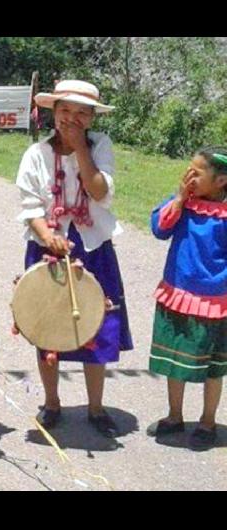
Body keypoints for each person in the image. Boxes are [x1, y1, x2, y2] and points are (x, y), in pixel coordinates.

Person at [15, 80, 133, 438]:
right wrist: (48, 235)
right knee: (46, 326)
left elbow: (100, 193)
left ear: (92, 118)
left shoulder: (101, 147)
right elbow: (31, 206)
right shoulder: (36, 153)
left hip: (92, 248)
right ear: (54, 111)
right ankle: (52, 403)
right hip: (46, 246)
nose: (72, 118)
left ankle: (96, 408)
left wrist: (81, 149)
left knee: (95, 324)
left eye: (82, 112)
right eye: (65, 110)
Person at [148, 146, 227, 450]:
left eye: (197, 172)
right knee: (173, 359)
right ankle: (174, 416)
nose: (188, 176)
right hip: (176, 295)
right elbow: (159, 228)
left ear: (220, 181)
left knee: (214, 366)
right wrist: (180, 200)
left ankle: (208, 421)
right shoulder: (185, 205)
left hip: (214, 303)